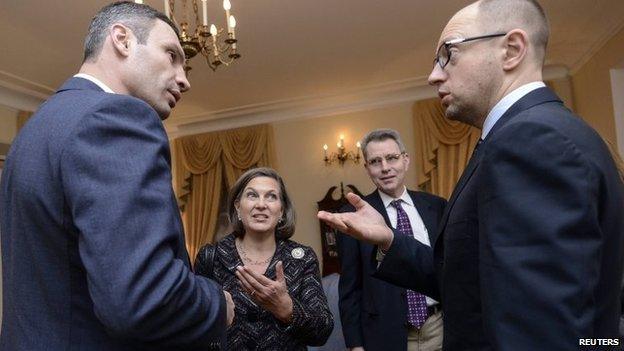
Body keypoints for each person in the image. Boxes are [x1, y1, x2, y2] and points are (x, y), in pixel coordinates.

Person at [318, 0, 624, 349]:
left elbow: (543, 330)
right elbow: (466, 280)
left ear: (512, 49)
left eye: (448, 53)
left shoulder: (533, 140)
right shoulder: (520, 135)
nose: (433, 74)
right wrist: (389, 239)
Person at [0, 2, 234, 350]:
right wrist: (217, 304)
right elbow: (144, 299)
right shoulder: (115, 117)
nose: (185, 79)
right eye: (172, 55)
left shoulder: (35, 130)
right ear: (122, 39)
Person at [195, 167, 334, 350]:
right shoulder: (211, 257)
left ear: (282, 211)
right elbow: (193, 325)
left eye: (271, 196)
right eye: (252, 195)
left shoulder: (302, 258)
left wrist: (287, 309)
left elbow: (322, 331)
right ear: (238, 206)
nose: (261, 204)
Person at [337, 129, 446, 351]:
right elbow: (350, 288)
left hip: (440, 327)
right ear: (367, 168)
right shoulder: (354, 215)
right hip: (386, 333)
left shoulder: (436, 206)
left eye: (392, 158)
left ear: (405, 160)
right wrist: (355, 344)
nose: (385, 167)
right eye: (375, 161)